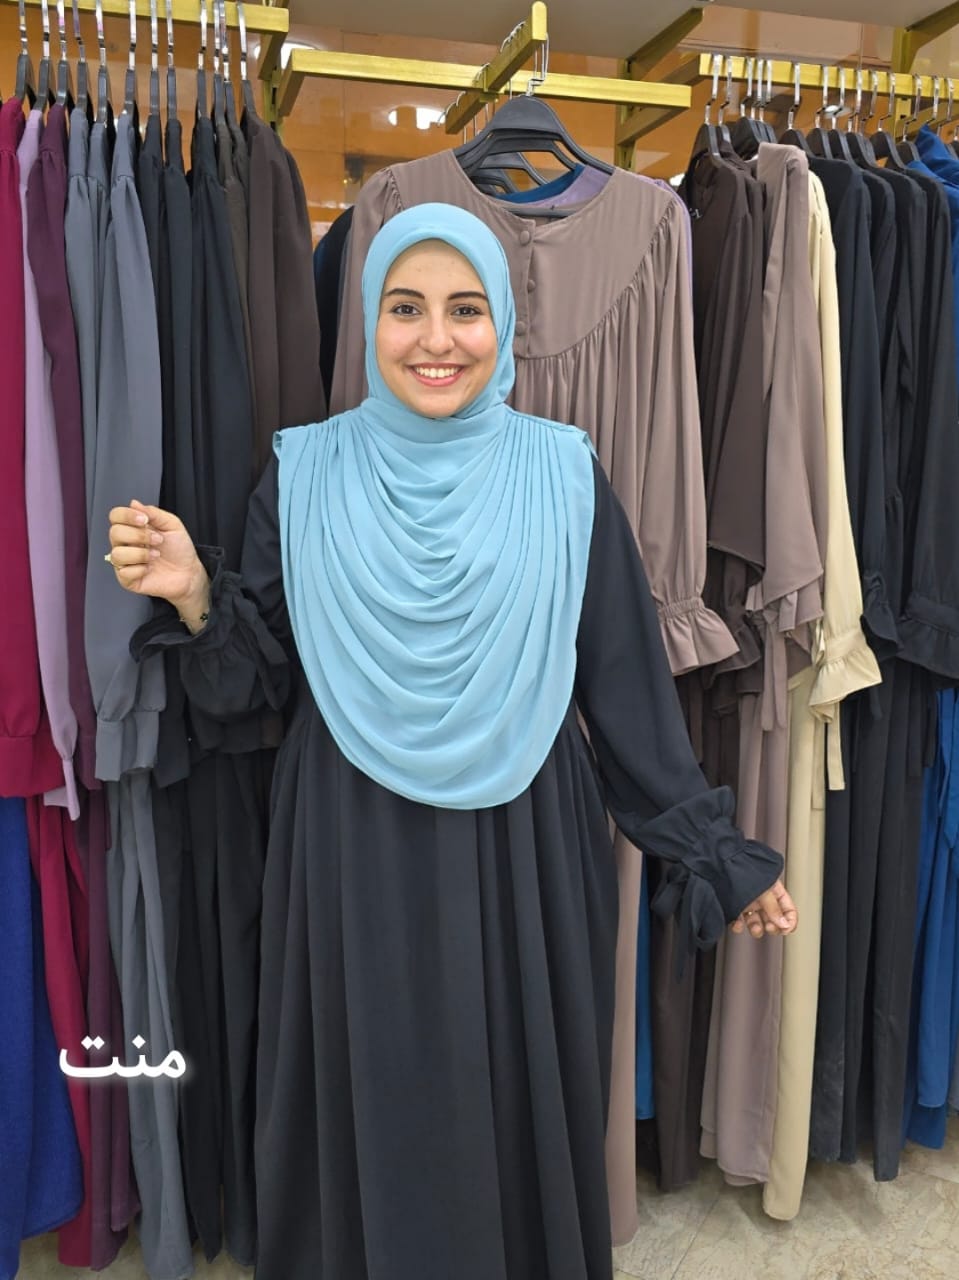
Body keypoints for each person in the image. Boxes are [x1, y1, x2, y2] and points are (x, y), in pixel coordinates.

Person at [108, 203, 797, 1280]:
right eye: (405, 308)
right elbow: (261, 687)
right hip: (350, 846)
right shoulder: (304, 472)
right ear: (369, 321)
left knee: (518, 1094)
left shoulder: (562, 473)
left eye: (465, 309)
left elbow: (623, 689)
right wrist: (198, 594)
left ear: (503, 322)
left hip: (521, 843)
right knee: (368, 1090)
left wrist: (715, 852)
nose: (436, 339)